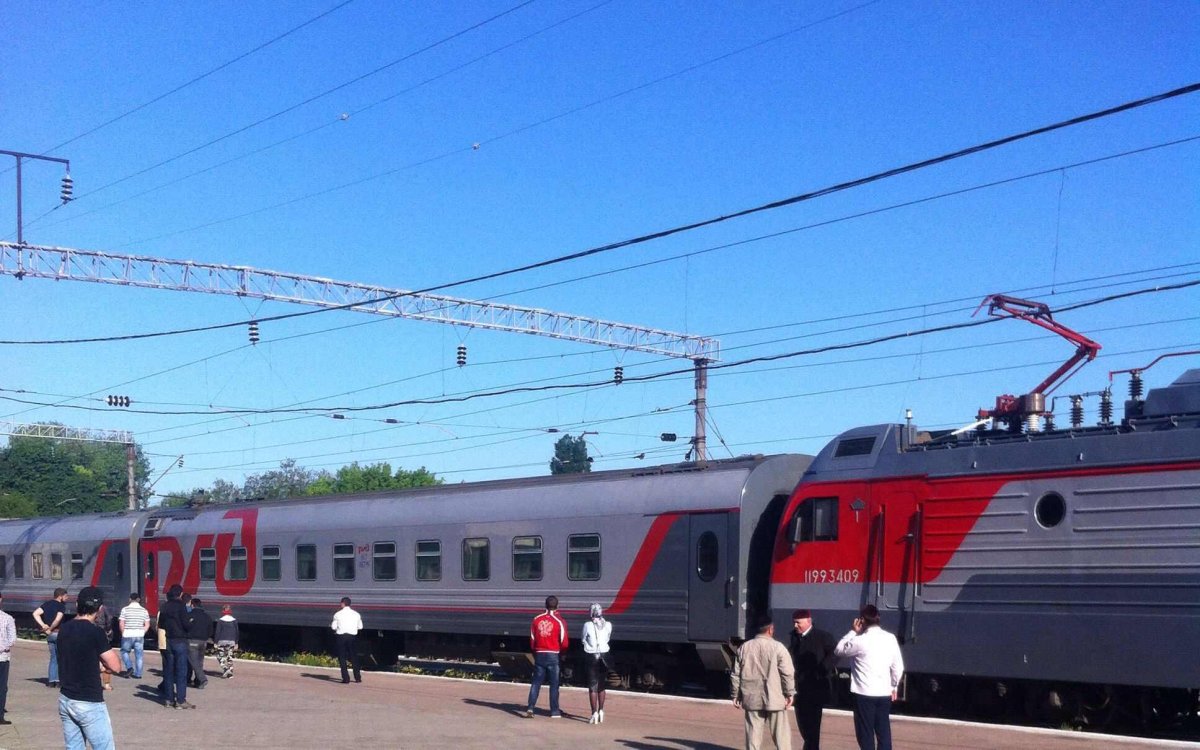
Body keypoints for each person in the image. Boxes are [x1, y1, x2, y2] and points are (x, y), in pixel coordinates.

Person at [57, 586, 123, 750]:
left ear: (77, 604)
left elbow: (74, 658)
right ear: (100, 609)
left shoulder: (64, 628)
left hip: (66, 699)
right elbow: (116, 666)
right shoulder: (96, 632)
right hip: (88, 701)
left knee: (74, 747)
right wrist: (104, 666)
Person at [834, 605, 904, 750]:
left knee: (865, 733)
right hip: (884, 693)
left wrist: (853, 631)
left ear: (862, 621)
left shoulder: (859, 641)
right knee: (884, 732)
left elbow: (839, 650)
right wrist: (894, 686)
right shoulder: (890, 638)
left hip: (864, 694)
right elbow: (898, 666)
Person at [731, 616, 795, 750]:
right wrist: (790, 692)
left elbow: (736, 674)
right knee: (781, 736)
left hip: (752, 697)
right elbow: (787, 673)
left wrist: (735, 694)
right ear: (771, 630)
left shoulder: (744, 648)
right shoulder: (778, 647)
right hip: (775, 698)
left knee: (753, 735)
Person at [789, 609, 838, 750]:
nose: (795, 626)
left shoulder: (822, 637)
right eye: (794, 622)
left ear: (808, 621)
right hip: (799, 687)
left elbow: (835, 653)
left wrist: (823, 668)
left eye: (798, 622)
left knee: (813, 726)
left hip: (816, 687)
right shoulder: (794, 637)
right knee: (802, 723)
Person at [524, 595, 568, 719]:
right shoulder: (560, 621)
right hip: (554, 655)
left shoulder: (536, 619)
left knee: (536, 682)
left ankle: (530, 708)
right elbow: (564, 642)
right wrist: (563, 654)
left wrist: (535, 650)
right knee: (554, 684)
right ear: (558, 606)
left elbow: (532, 639)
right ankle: (554, 711)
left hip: (539, 654)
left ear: (545, 605)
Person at [156, 584, 194, 709]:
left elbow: (160, 624)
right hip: (179, 640)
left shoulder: (164, 606)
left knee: (168, 670)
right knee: (181, 672)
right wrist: (189, 625)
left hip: (167, 641)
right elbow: (186, 624)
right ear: (181, 594)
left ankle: (168, 699)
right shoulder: (181, 606)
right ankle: (180, 701)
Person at [581, 602, 612, 725]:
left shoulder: (587, 625)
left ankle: (593, 713)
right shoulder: (608, 625)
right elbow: (608, 638)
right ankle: (601, 711)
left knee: (592, 686)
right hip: (605, 656)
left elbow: (583, 639)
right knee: (602, 686)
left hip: (592, 656)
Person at [33, 588, 68, 687]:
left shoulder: (46, 604)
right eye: (65, 596)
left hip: (50, 636)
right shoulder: (61, 606)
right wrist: (51, 628)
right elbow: (57, 620)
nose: (67, 598)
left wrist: (44, 626)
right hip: (58, 633)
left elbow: (35, 613)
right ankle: (59, 681)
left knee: (53, 658)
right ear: (60, 596)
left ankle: (51, 681)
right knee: (61, 657)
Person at [331, 597, 363, 684]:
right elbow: (360, 627)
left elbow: (333, 627)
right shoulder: (356, 614)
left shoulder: (337, 614)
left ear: (342, 604)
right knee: (354, 657)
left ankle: (346, 678)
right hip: (352, 637)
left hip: (341, 637)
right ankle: (358, 678)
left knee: (342, 657)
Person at [118, 592, 149, 679]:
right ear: (139, 600)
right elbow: (147, 624)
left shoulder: (125, 609)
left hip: (128, 634)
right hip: (139, 634)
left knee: (124, 651)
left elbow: (121, 623)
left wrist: (123, 632)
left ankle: (129, 667)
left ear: (130, 599)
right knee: (139, 655)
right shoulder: (144, 610)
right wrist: (143, 632)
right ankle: (138, 674)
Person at [186, 597, 212, 689]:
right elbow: (210, 630)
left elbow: (186, 627)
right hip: (203, 642)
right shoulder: (207, 617)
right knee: (200, 662)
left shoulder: (189, 615)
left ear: (192, 605)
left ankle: (202, 679)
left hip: (192, 641)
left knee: (193, 661)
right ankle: (198, 682)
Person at [0, 591, 15, 725]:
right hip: (3, 655)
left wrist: (3, 647)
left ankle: (0, 715)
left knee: (2, 687)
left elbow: (12, 638)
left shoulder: (7, 618)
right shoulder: (7, 618)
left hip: (3, 658)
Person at [93, 603, 116, 692]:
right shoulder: (104, 609)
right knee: (105, 660)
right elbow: (109, 620)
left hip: (91, 634)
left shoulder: (89, 609)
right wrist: (108, 630)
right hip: (103, 635)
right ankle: (106, 685)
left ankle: (95, 683)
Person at [213, 605, 239, 679]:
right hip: (231, 641)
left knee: (220, 656)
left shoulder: (221, 621)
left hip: (221, 641)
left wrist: (215, 642)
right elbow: (237, 632)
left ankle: (225, 669)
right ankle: (230, 673)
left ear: (223, 611)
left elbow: (218, 632)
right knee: (229, 657)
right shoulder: (234, 620)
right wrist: (236, 642)